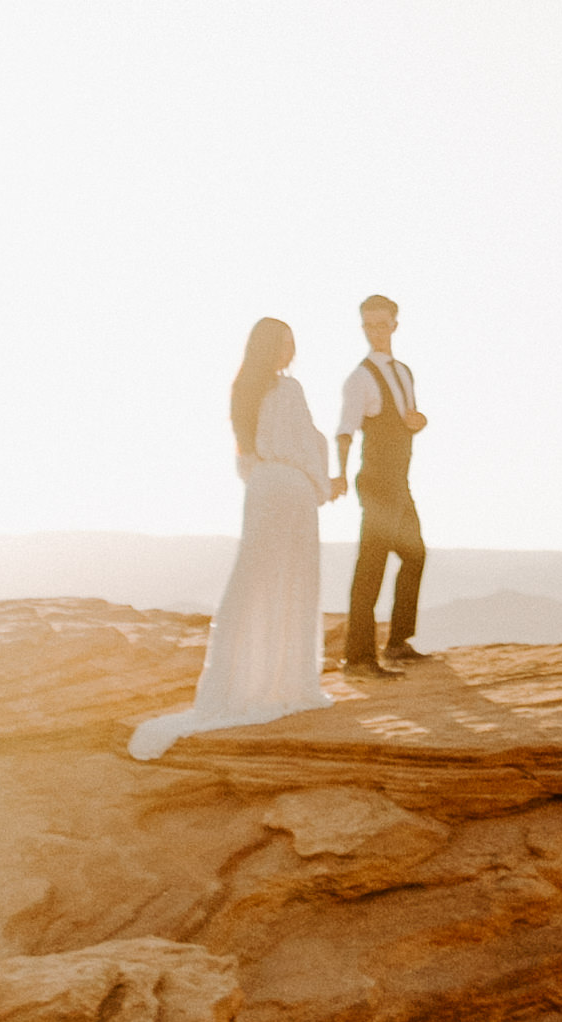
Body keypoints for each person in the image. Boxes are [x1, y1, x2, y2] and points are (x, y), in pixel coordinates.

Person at [127, 316, 343, 759]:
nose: (291, 352)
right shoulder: (287, 389)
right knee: (292, 583)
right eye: (285, 344)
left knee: (253, 581)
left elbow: (249, 453)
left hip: (263, 489)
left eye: (292, 343)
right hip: (290, 489)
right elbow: (302, 445)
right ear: (269, 348)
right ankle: (286, 682)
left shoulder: (244, 391)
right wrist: (326, 483)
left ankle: (237, 682)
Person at [334, 292, 427, 677]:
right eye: (368, 325)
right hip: (375, 482)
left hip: (398, 481)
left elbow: (405, 420)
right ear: (363, 327)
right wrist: (339, 474)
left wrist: (417, 423)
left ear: (394, 325)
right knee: (371, 567)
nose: (375, 331)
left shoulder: (404, 372)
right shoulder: (359, 378)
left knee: (415, 555)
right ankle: (358, 658)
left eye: (381, 323)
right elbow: (345, 431)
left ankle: (398, 642)